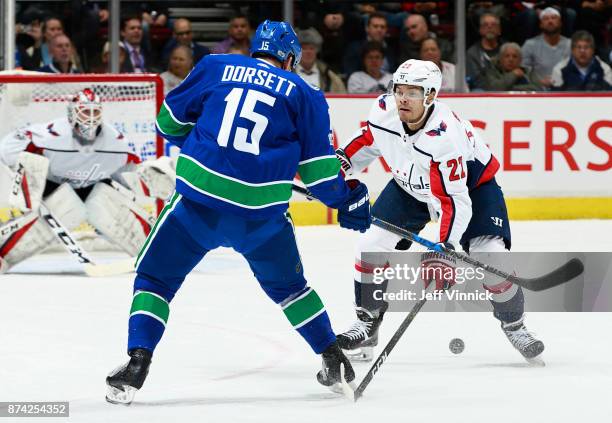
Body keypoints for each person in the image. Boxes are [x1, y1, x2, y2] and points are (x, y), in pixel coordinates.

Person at [105, 20, 372, 405]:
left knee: (154, 281)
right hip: (260, 218)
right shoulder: (306, 94)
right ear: (290, 58)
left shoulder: (215, 66)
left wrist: (201, 140)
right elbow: (319, 177)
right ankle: (334, 359)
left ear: (255, 49)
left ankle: (137, 363)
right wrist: (348, 200)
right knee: (291, 290)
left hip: (197, 205)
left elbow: (167, 124)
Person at [334, 59, 545, 365]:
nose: (403, 98)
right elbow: (368, 141)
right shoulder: (384, 110)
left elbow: (453, 202)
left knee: (490, 256)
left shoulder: (446, 138)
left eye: (413, 92)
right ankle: (368, 324)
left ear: (430, 95)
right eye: (399, 90)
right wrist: (334, 171)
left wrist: (445, 249)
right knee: (370, 246)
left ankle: (515, 324)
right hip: (411, 187)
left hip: (472, 189)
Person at [0, 89, 174, 273]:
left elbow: (129, 176)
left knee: (102, 203)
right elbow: (8, 149)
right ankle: (3, 255)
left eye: (95, 112)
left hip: (93, 188)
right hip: (53, 188)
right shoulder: (50, 136)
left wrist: (153, 178)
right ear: (72, 113)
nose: (90, 117)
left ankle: (156, 253)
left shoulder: (115, 142)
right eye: (85, 111)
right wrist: (28, 173)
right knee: (67, 209)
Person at [521, 7, 571, 89]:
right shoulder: (530, 45)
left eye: (554, 18)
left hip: (565, 91)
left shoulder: (570, 44)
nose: (550, 21)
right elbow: (523, 71)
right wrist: (539, 82)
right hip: (538, 92)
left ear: (560, 23)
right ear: (541, 24)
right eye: (546, 19)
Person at [296, 28, 346, 93]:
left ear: (317, 50)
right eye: (304, 48)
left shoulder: (330, 77)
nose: (308, 52)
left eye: (311, 48)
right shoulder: (287, 74)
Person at [466, 13, 503, 90]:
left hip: (504, 88)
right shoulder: (472, 53)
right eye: (485, 25)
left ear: (499, 30)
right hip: (481, 91)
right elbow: (475, 80)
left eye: (493, 25)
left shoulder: (507, 50)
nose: (489, 27)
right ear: (480, 30)